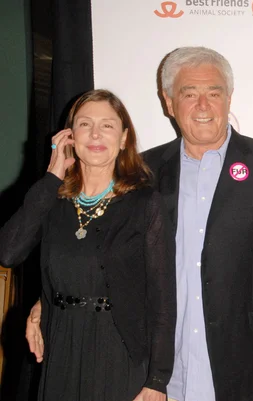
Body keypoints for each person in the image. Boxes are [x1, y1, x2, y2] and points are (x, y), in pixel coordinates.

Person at [27, 46, 253, 401]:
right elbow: (95, 248)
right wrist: (44, 302)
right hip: (152, 362)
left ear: (229, 98)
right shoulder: (140, 172)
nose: (203, 105)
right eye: (189, 94)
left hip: (240, 358)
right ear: (168, 102)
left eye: (214, 93)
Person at [0, 89, 176, 401]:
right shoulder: (52, 200)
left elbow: (162, 299)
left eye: (107, 125)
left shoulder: (145, 203)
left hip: (118, 351)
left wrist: (157, 381)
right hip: (61, 346)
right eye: (85, 124)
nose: (95, 133)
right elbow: (9, 252)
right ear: (69, 136)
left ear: (123, 139)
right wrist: (52, 177)